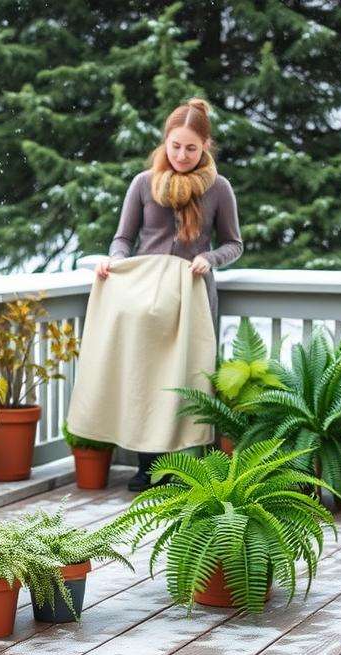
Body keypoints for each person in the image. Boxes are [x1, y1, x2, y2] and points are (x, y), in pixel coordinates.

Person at [96, 97, 243, 491]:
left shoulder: (218, 189)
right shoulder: (143, 184)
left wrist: (209, 258)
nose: (182, 155)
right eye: (175, 145)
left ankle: (183, 468)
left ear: (205, 147)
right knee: (147, 379)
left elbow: (235, 243)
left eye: (191, 148)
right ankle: (148, 467)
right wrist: (114, 261)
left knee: (186, 378)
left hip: (192, 297)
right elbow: (123, 238)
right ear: (165, 142)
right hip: (144, 299)